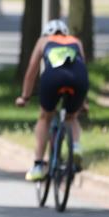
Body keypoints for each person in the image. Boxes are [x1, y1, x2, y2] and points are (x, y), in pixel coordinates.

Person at [15, 19, 89, 182]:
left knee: (45, 117)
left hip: (53, 78)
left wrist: (25, 96)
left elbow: (31, 71)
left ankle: (38, 165)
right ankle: (75, 147)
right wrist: (83, 102)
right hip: (78, 79)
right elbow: (83, 68)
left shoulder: (43, 41)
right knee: (72, 117)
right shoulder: (76, 41)